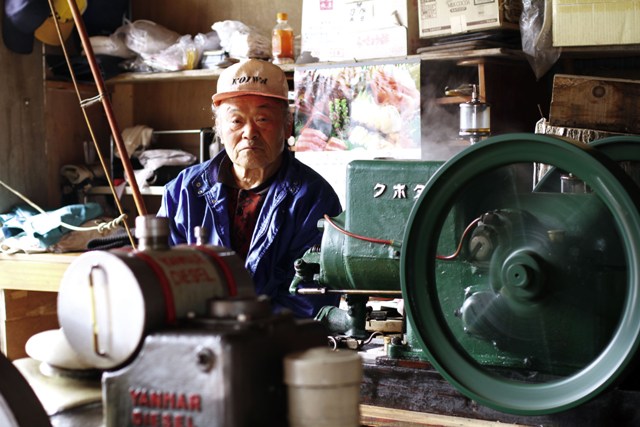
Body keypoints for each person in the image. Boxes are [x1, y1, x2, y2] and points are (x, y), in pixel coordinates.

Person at [158, 59, 343, 318]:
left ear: (287, 125)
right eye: (236, 121)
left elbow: (310, 301)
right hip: (195, 340)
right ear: (219, 128)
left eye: (263, 118)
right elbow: (163, 282)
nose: (249, 132)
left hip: (275, 346)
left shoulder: (313, 199)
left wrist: (239, 326)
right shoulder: (183, 192)